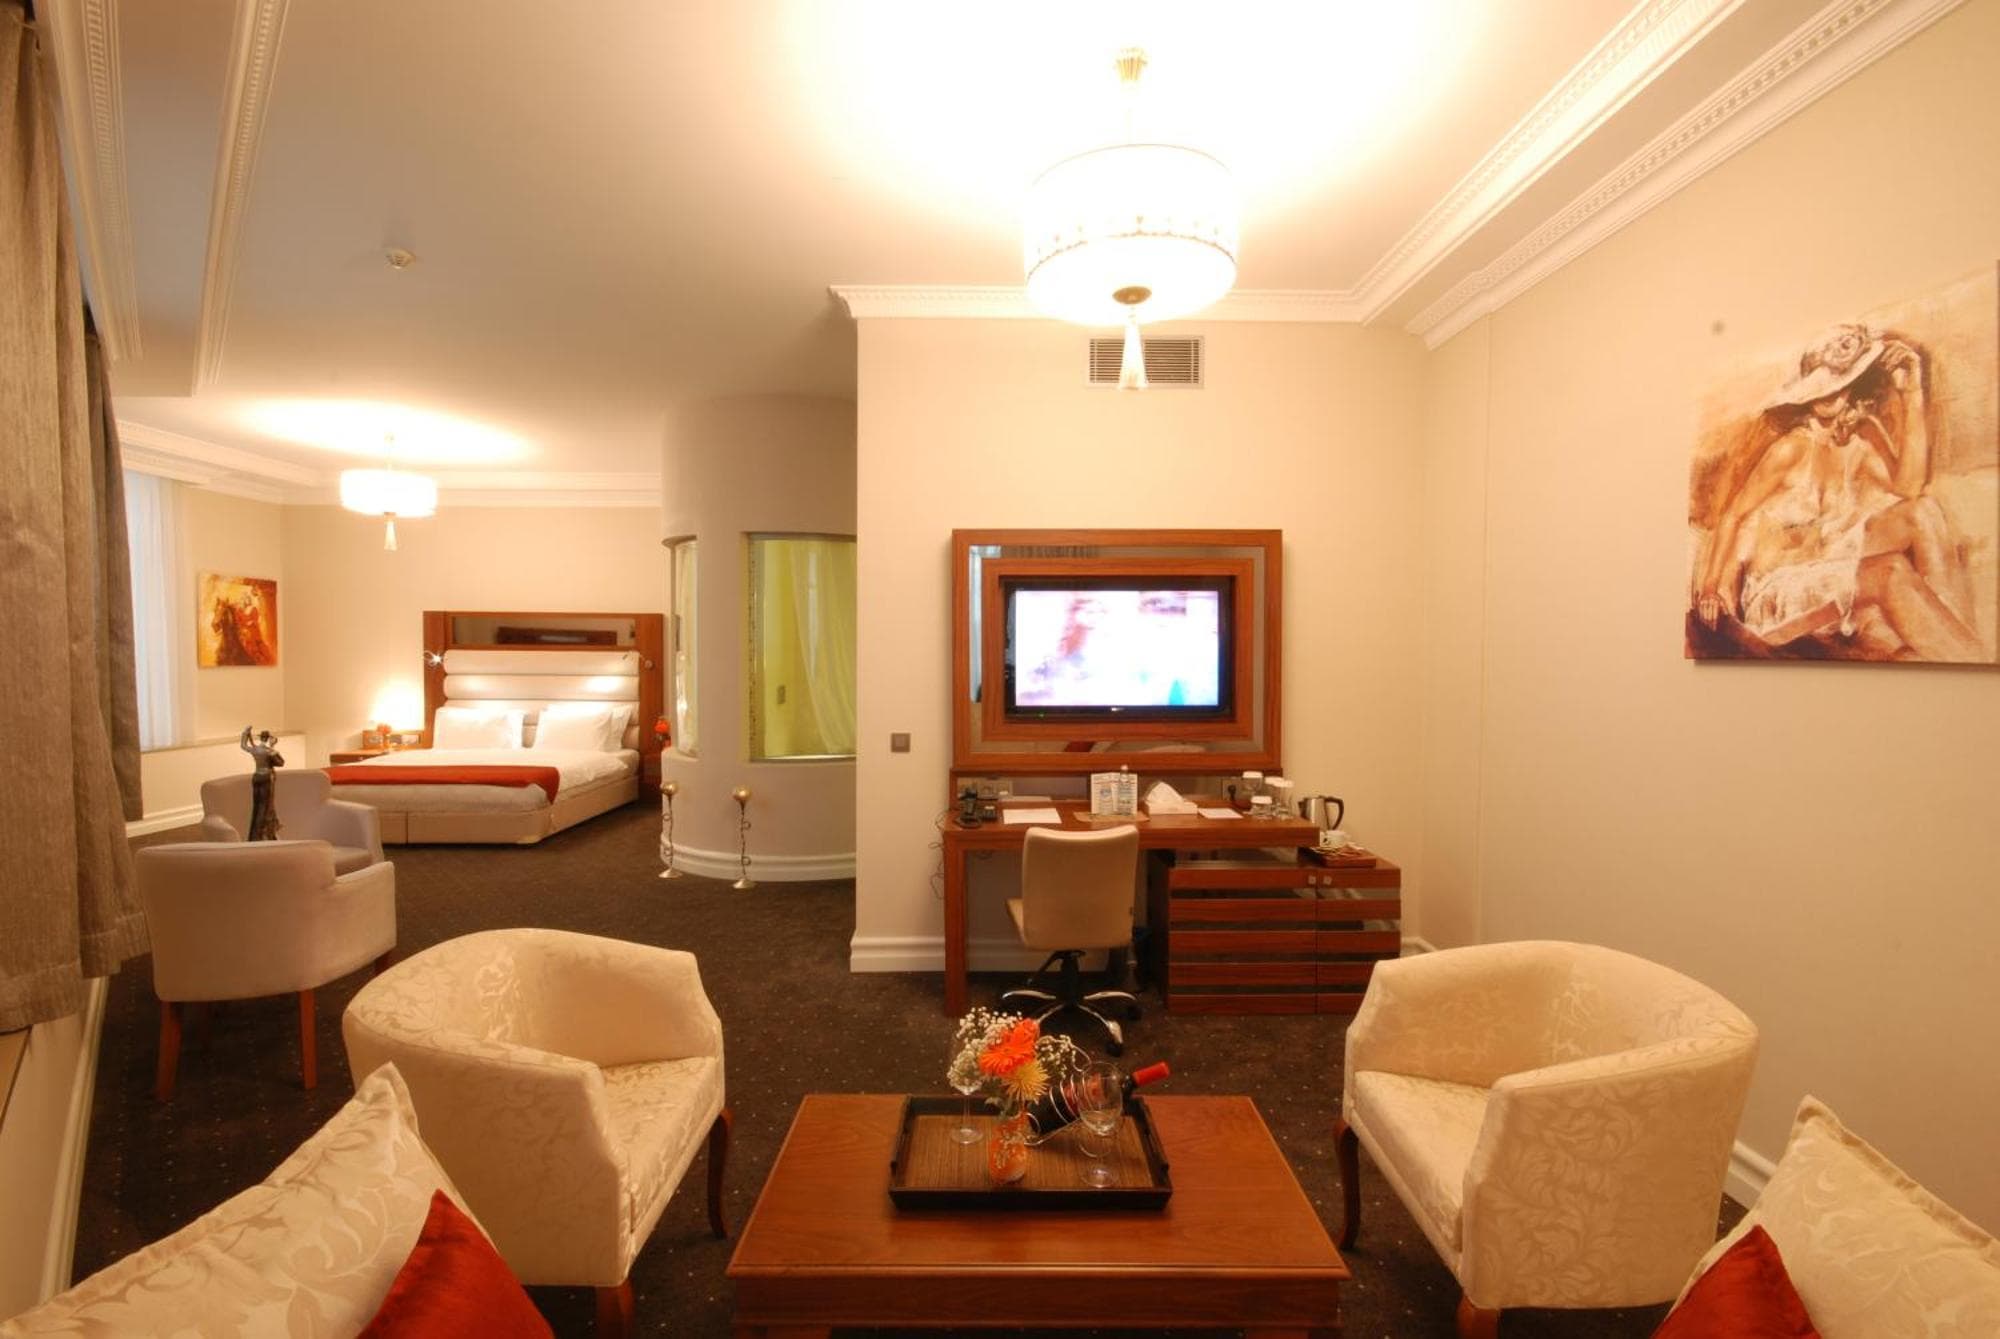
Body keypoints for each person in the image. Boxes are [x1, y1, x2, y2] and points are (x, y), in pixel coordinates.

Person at [1692, 323, 1982, 661]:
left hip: (1832, 561)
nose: (1829, 394)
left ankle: (1956, 646)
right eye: (1822, 387)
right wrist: (1710, 588)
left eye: (1839, 384)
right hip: (1782, 587)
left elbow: (1909, 488)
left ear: (1853, 385)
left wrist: (1912, 393)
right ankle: (1965, 657)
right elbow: (1734, 515)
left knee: (1923, 512)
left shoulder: (1860, 438)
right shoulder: (1792, 447)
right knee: (1890, 571)